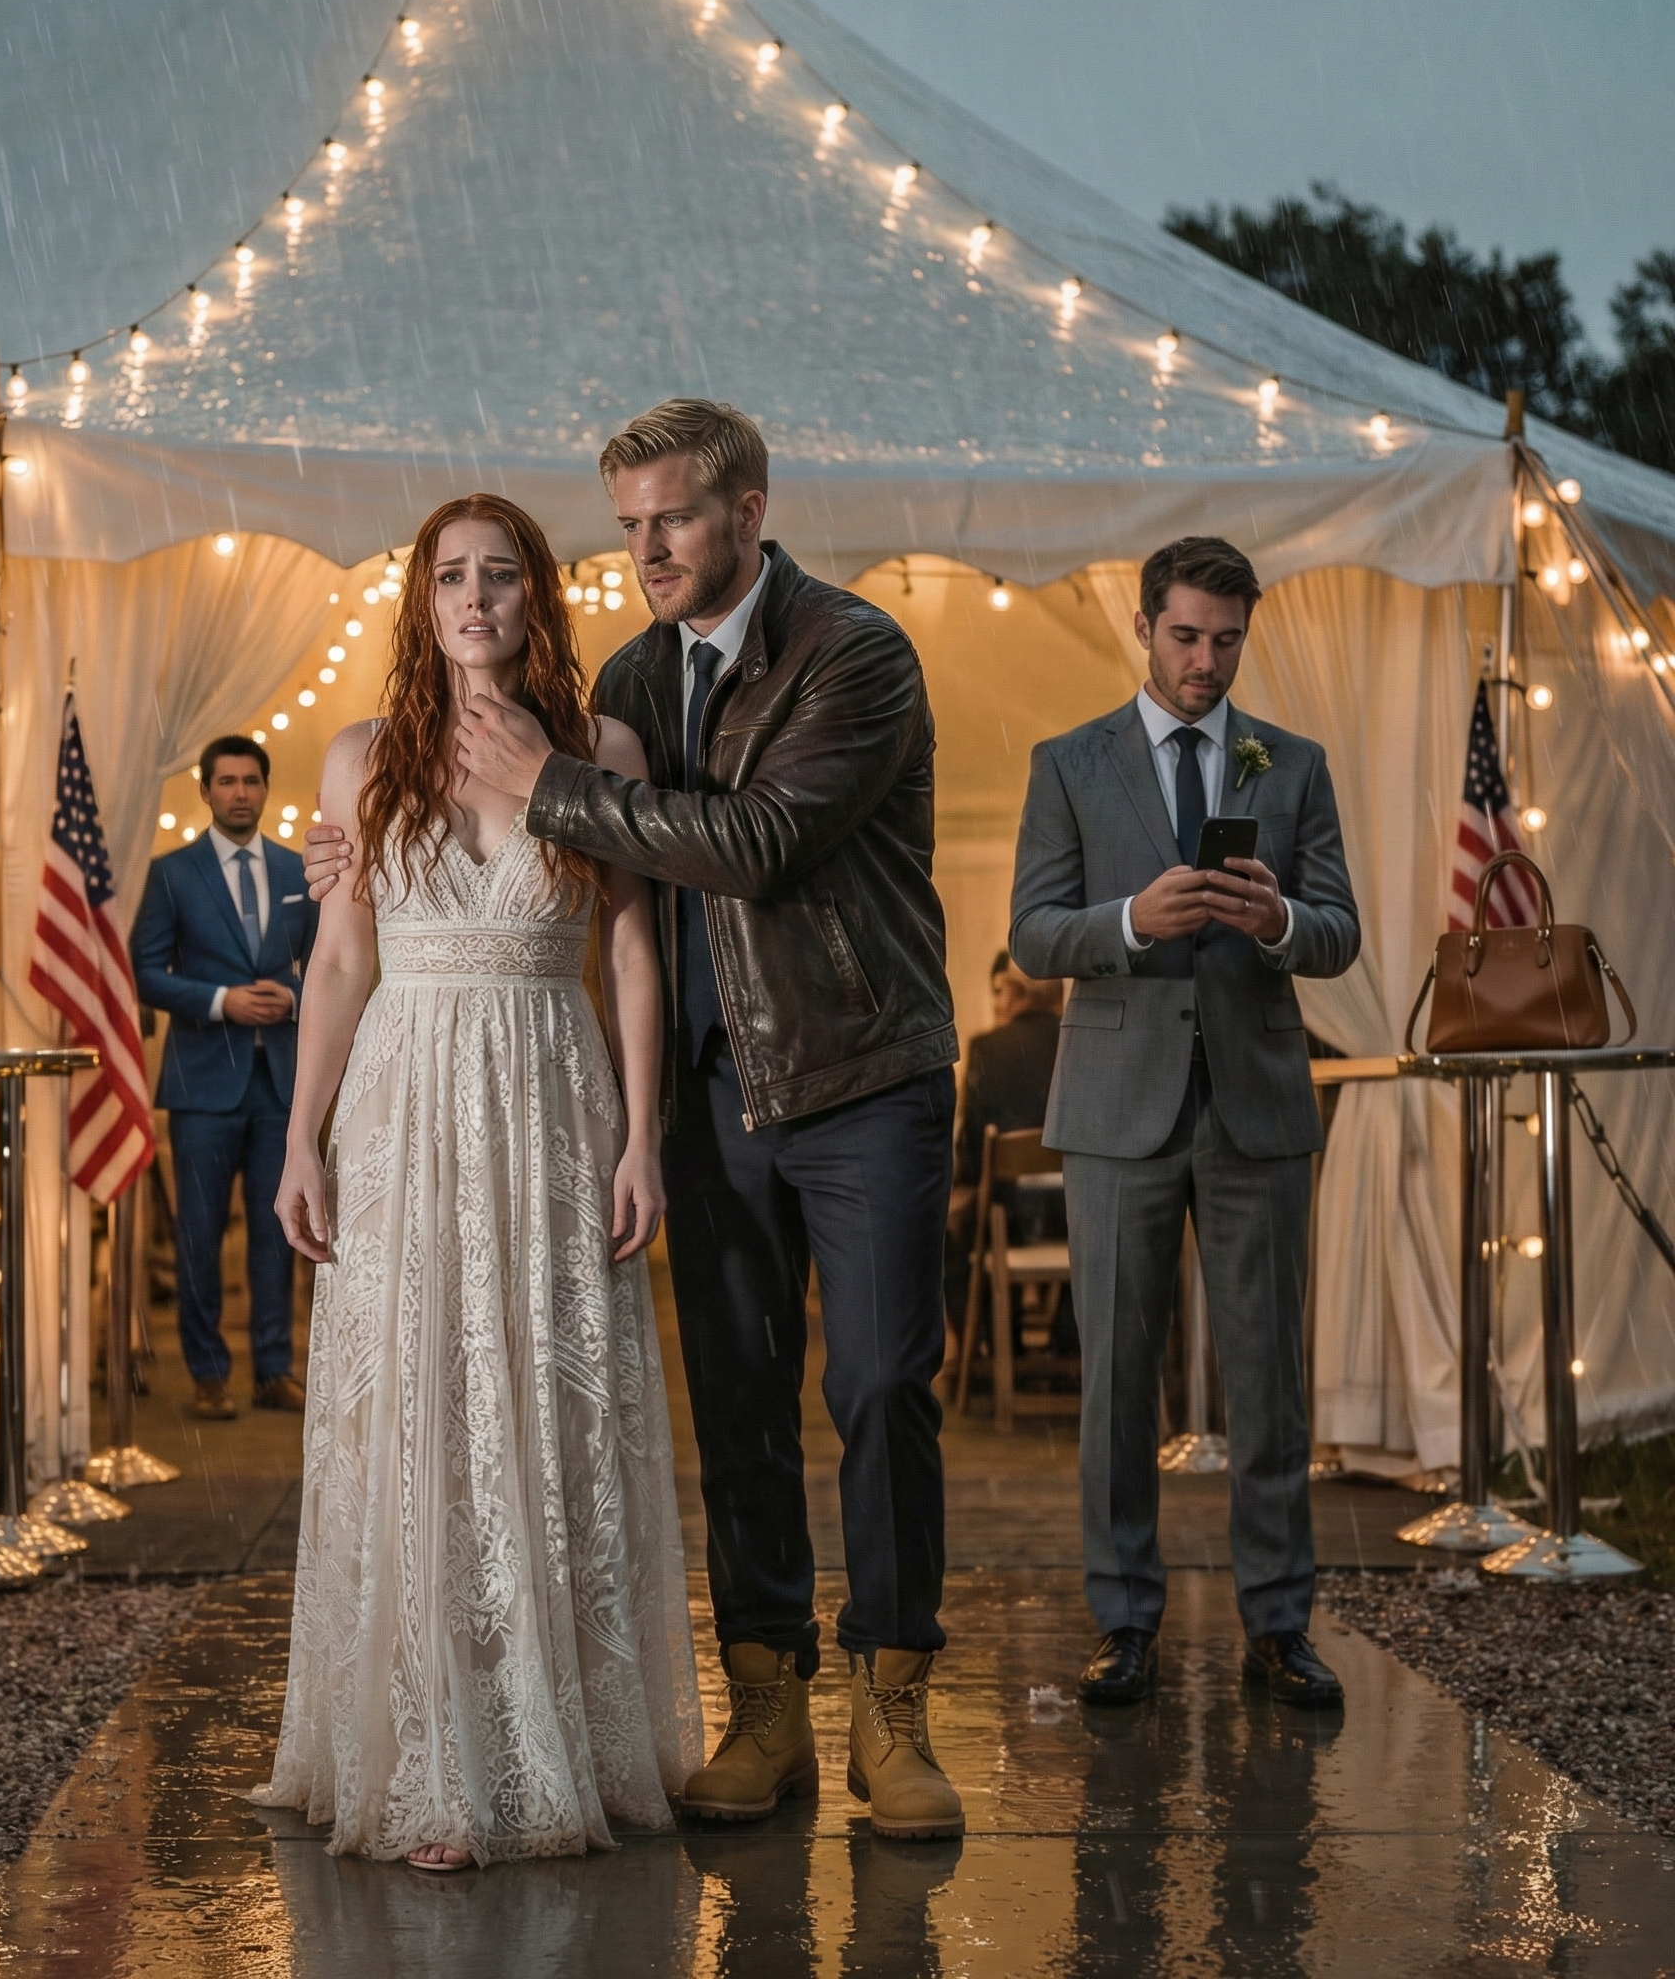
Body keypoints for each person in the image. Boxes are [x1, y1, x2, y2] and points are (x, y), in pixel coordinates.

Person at [447, 400, 965, 1842]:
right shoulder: (626, 676)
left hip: (865, 1074)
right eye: (625, 526)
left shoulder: (853, 652)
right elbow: (570, 881)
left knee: (875, 1390)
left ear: (748, 507)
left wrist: (553, 786)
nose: (646, 550)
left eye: (670, 518)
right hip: (709, 1094)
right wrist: (363, 843)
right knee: (738, 1405)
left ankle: (894, 1703)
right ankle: (770, 1699)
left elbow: (757, 845)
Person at [254, 494, 700, 1871]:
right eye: (450, 576)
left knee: (545, 1405)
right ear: (422, 602)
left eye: (501, 574)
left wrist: (642, 1136)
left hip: (549, 1097)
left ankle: (550, 1741)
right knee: (421, 1404)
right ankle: (432, 1753)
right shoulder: (358, 756)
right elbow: (338, 962)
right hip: (402, 1102)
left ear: (536, 597)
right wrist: (300, 1137)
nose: (476, 596)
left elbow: (633, 950)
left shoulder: (603, 747)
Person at [1008, 535, 1359, 1711]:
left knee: (1269, 1378)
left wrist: (1275, 922)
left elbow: (1339, 932)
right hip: (1116, 1110)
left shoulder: (1292, 763)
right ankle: (1122, 1621)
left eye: (1224, 641)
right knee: (1114, 1374)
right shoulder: (1068, 762)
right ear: (1144, 627)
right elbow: (1031, 933)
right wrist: (1127, 917)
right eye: (1185, 636)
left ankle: (1277, 1621)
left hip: (1257, 1103)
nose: (1204, 661)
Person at [132, 736, 316, 1420]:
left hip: (279, 1084)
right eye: (227, 782)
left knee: (277, 1233)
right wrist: (219, 1001)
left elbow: (332, 962)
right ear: (204, 791)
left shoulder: (300, 870)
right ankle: (208, 1374)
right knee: (199, 1237)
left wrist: (293, 999)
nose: (240, 792)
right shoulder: (171, 875)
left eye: (251, 781)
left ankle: (275, 1370)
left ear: (266, 789)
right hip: (203, 1085)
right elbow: (144, 971)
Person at [946, 951, 1067, 1357]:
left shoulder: (987, 1050)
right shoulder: (1082, 1045)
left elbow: (975, 1154)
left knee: (952, 1235)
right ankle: (1069, 1351)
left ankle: (994, 1354)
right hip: (1078, 1216)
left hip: (1009, 1217)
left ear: (1015, 993)